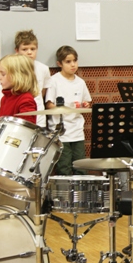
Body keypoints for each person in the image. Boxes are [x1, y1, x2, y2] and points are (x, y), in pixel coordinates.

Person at [45, 45, 91, 176]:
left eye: (75, 61)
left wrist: (85, 104)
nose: (73, 65)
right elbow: (49, 104)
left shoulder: (80, 82)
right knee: (63, 166)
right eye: (68, 62)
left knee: (81, 165)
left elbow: (87, 101)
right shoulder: (54, 81)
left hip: (77, 130)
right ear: (59, 64)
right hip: (61, 131)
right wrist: (62, 108)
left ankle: (80, 189)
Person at [0, 54, 38, 126]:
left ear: (18, 76)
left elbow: (25, 130)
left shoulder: (26, 100)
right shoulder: (5, 98)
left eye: (3, 74)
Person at [14, 30, 50, 128]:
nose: (29, 52)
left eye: (33, 49)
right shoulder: (12, 68)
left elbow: (42, 92)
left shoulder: (44, 69)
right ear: (17, 50)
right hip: (19, 117)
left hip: (39, 119)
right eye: (24, 49)